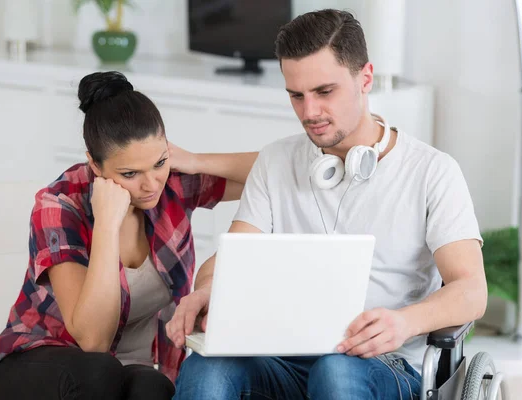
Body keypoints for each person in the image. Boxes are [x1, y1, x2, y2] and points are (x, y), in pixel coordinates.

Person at [166, 9, 488, 400]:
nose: (309, 113)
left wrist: (405, 322)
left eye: (324, 92)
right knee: (208, 369)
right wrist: (208, 291)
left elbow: (471, 290)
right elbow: (231, 260)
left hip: (382, 362)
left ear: (365, 78)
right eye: (296, 96)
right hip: (280, 354)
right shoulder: (275, 162)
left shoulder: (432, 171)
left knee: (336, 373)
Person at [0, 71, 258, 400]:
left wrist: (197, 161)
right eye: (130, 174)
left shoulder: (168, 184)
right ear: (95, 165)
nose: (151, 184)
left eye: (159, 163)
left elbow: (278, 173)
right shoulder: (58, 205)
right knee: (99, 371)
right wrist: (107, 225)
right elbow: (93, 341)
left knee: (153, 387)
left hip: (128, 367)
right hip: (37, 360)